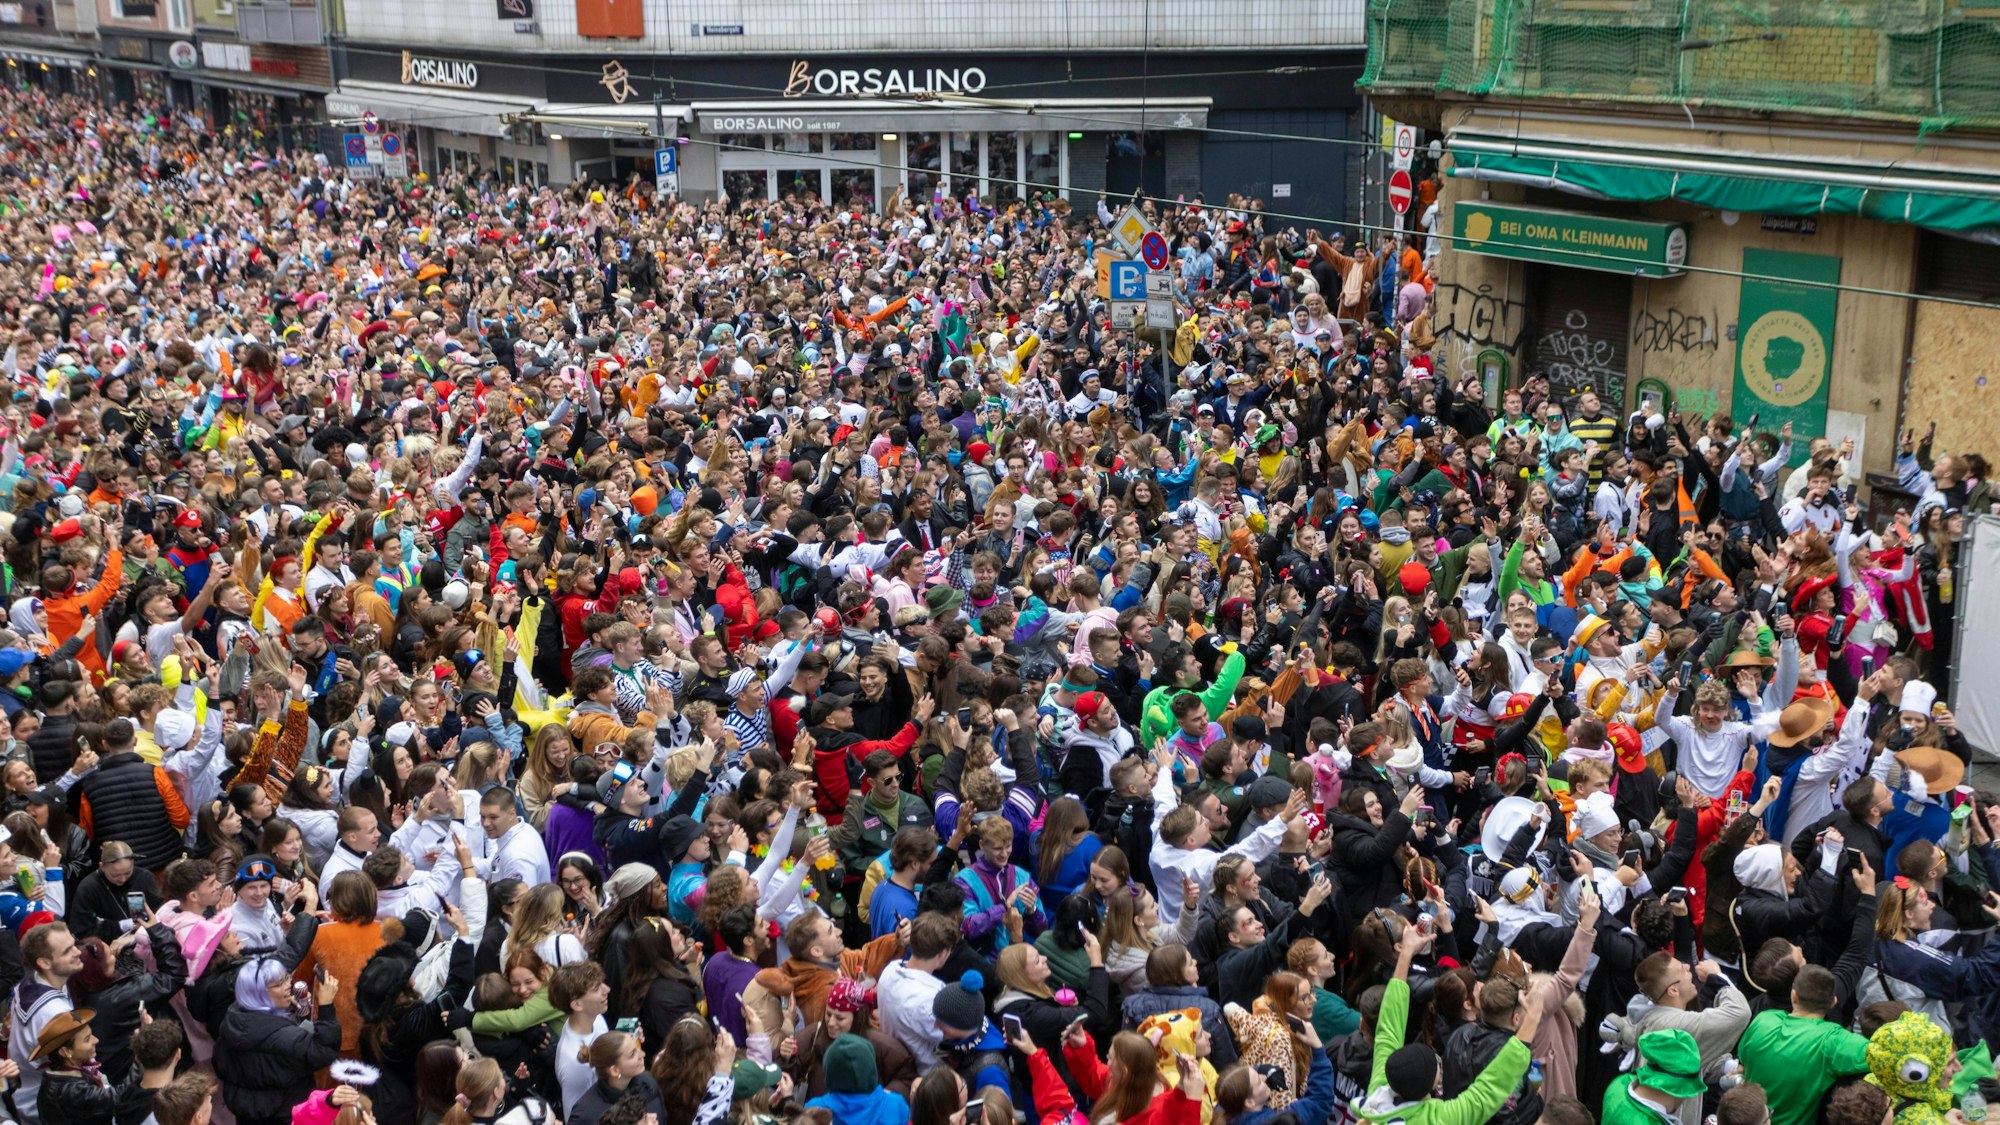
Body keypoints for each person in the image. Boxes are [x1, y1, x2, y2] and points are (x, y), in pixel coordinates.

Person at [213, 957, 342, 1125]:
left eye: (287, 977)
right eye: (279, 983)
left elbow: (220, 1064)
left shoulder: (232, 1021)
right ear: (259, 993)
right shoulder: (283, 1036)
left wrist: (288, 1010)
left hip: (246, 1112)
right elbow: (324, 1051)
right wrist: (326, 1008)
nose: (288, 984)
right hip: (286, 1113)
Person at [31, 1008, 148, 1125]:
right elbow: (118, 1098)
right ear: (66, 1051)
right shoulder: (71, 1091)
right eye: (87, 1039)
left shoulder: (64, 1075)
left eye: (91, 1035)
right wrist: (139, 1059)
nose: (96, 1040)